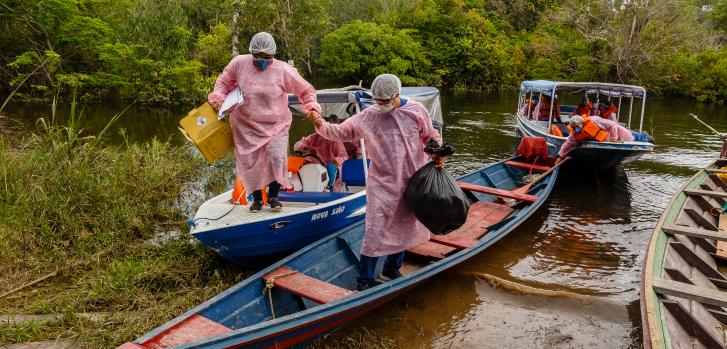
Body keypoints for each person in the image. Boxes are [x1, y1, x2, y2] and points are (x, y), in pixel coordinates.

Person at [306, 74, 444, 291]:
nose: (381, 105)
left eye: (385, 101)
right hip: (381, 183)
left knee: (404, 226)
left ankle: (391, 268)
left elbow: (430, 135)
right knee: (375, 230)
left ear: (397, 95)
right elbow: (341, 132)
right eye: (377, 101)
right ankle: (365, 279)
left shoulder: (417, 111)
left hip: (412, 180)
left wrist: (437, 150)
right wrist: (319, 123)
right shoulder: (369, 116)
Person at [208, 32, 321, 213]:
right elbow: (223, 81)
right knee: (250, 163)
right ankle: (258, 199)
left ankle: (274, 196)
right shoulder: (239, 64)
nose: (262, 60)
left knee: (275, 158)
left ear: (273, 55)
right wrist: (219, 99)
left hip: (275, 123)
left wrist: (312, 108)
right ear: (251, 52)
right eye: (258, 56)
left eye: (266, 57)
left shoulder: (283, 70)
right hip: (245, 124)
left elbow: (306, 90)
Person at [293, 117, 348, 191]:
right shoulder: (312, 137)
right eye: (318, 126)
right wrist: (307, 148)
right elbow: (297, 146)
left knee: (330, 167)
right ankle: (298, 187)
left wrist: (336, 160)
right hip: (313, 164)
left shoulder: (335, 140)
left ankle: (328, 187)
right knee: (297, 165)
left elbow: (343, 156)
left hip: (328, 166)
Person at [556, 114, 634, 161]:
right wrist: (560, 156)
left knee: (635, 137)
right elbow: (567, 144)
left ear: (582, 123)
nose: (576, 129)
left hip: (621, 134)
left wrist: (614, 139)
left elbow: (612, 125)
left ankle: (642, 135)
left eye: (577, 126)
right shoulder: (575, 133)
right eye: (574, 127)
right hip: (605, 140)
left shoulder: (595, 122)